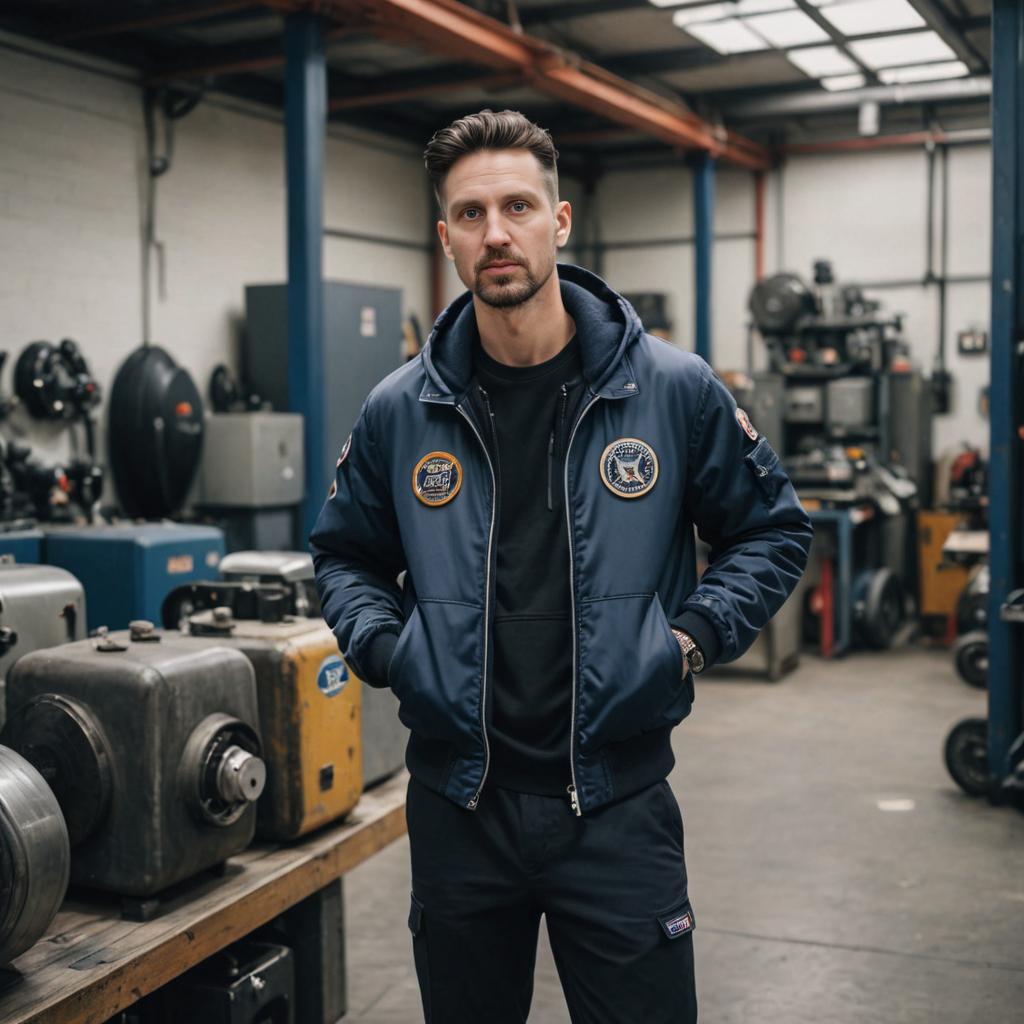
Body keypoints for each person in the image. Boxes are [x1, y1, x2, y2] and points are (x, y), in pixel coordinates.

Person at [311, 109, 812, 1024]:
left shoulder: (671, 387)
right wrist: (389, 651)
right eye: (470, 215)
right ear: (446, 239)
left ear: (560, 220)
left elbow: (773, 532)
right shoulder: (398, 408)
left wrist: (689, 640)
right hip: (460, 806)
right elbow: (344, 554)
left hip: (617, 805)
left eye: (516, 206)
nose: (495, 233)